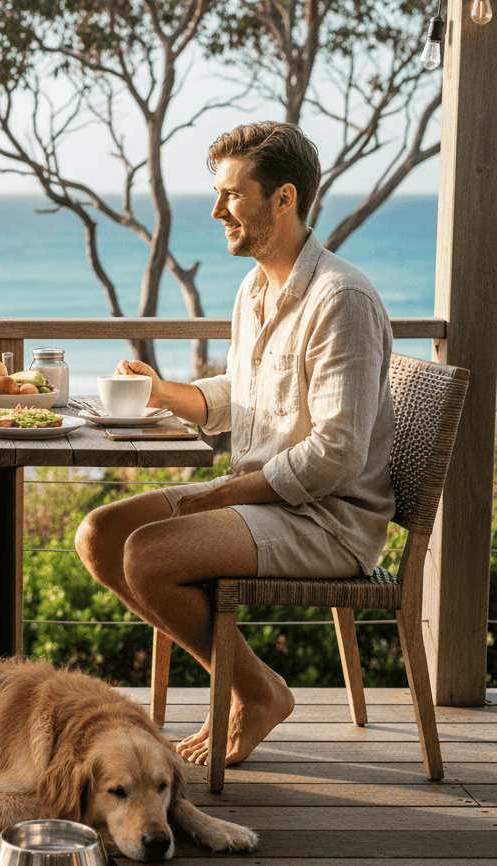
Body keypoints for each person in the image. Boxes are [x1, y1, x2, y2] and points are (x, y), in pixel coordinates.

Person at [74, 121, 395, 768]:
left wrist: (219, 493)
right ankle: (254, 686)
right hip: (259, 504)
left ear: (284, 199)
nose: (217, 210)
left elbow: (335, 453)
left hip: (326, 522)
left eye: (232, 194)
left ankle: (258, 693)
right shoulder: (255, 288)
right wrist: (166, 393)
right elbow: (242, 392)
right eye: (217, 194)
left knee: (149, 556)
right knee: (101, 536)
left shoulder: (342, 300)